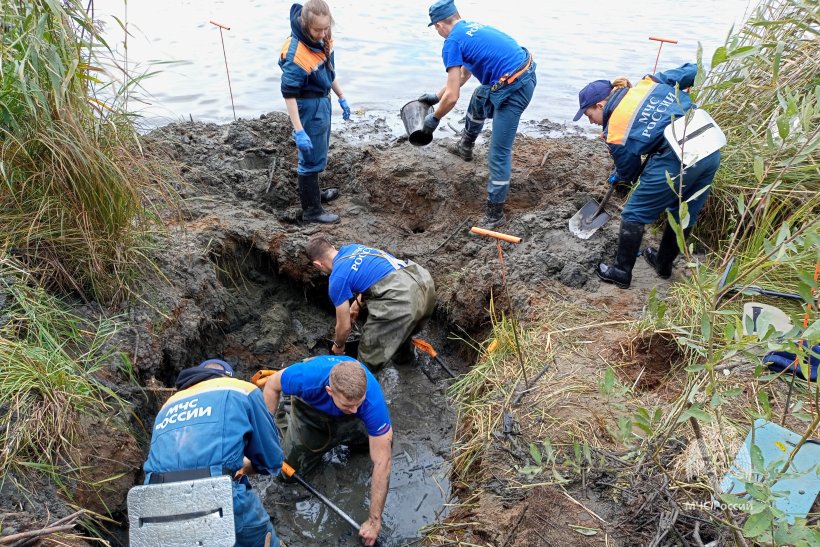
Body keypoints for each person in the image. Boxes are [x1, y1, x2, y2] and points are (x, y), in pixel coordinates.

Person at [573, 63, 721, 289]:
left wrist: (619, 174)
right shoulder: (649, 83)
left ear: (600, 105)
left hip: (675, 157)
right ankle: (663, 265)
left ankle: (621, 272)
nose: (590, 121)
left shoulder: (615, 131)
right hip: (708, 147)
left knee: (634, 213)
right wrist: (681, 93)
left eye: (589, 114)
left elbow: (630, 174)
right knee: (683, 211)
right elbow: (693, 69)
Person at [418, 0, 537, 229]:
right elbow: (463, 76)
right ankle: (465, 146)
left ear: (439, 25)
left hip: (514, 89)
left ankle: (495, 215)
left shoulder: (452, 42)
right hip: (524, 72)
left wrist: (434, 119)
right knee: (480, 96)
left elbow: (452, 97)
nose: (437, 32)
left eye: (435, 28)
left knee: (499, 152)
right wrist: (435, 97)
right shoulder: (471, 27)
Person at [143, 359, 284, 547]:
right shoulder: (241, 389)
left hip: (153, 502)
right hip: (215, 492)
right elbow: (271, 460)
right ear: (228, 376)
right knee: (264, 540)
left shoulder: (168, 405)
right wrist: (244, 467)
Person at [262, 355, 392, 547]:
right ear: (330, 391)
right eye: (349, 405)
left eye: (359, 403)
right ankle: (289, 417)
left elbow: (383, 463)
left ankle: (346, 426)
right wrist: (265, 435)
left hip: (353, 418)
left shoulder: (371, 401)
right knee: (288, 473)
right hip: (311, 413)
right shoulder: (306, 378)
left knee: (380, 445)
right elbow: (272, 385)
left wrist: (374, 521)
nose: (356, 409)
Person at [305, 237, 436, 371]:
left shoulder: (337, 279)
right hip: (423, 283)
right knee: (401, 331)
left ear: (317, 264)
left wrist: (339, 345)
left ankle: (364, 387)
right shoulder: (353, 248)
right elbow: (377, 272)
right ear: (332, 247)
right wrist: (357, 304)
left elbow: (344, 327)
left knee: (366, 359)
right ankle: (408, 368)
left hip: (401, 300)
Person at [279, 0, 350, 224]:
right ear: (305, 24)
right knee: (308, 159)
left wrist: (341, 96)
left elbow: (328, 71)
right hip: (307, 105)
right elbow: (288, 94)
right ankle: (312, 211)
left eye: (325, 28)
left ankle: (314, 195)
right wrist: (298, 130)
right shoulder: (296, 54)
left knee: (318, 151)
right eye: (317, 30)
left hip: (323, 101)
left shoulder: (323, 40)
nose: (322, 33)